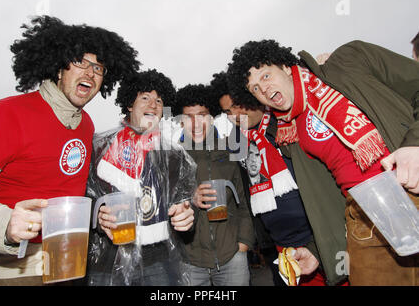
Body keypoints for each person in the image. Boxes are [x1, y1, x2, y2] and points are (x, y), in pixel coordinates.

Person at [227, 39, 419, 285]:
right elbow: (324, 200)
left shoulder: (349, 61)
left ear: (285, 66)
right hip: (364, 220)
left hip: (409, 185)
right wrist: (317, 251)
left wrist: (414, 143)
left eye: (265, 76)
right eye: (254, 88)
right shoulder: (289, 136)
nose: (263, 89)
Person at [0, 16, 139, 286]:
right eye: (80, 62)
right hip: (10, 272)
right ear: (59, 67)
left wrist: (99, 215)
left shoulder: (85, 125)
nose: (90, 73)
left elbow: (65, 197)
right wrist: (3, 223)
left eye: (98, 68)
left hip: (67, 268)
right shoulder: (5, 116)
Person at [212, 73, 335, 286]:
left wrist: (322, 71)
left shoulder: (287, 120)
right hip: (278, 244)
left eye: (239, 105)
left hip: (322, 237)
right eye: (227, 112)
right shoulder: (236, 140)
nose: (235, 115)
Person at [86, 69, 197, 286]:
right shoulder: (101, 147)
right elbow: (82, 195)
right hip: (107, 261)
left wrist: (188, 218)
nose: (153, 105)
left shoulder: (175, 155)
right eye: (145, 98)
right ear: (130, 104)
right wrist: (98, 214)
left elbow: (186, 205)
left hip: (159, 263)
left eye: (158, 100)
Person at [173, 83, 254, 286]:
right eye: (188, 117)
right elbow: (166, 206)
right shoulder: (174, 158)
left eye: (202, 115)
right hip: (190, 262)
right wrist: (191, 199)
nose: (196, 123)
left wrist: (243, 243)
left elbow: (244, 201)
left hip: (232, 257)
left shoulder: (230, 150)